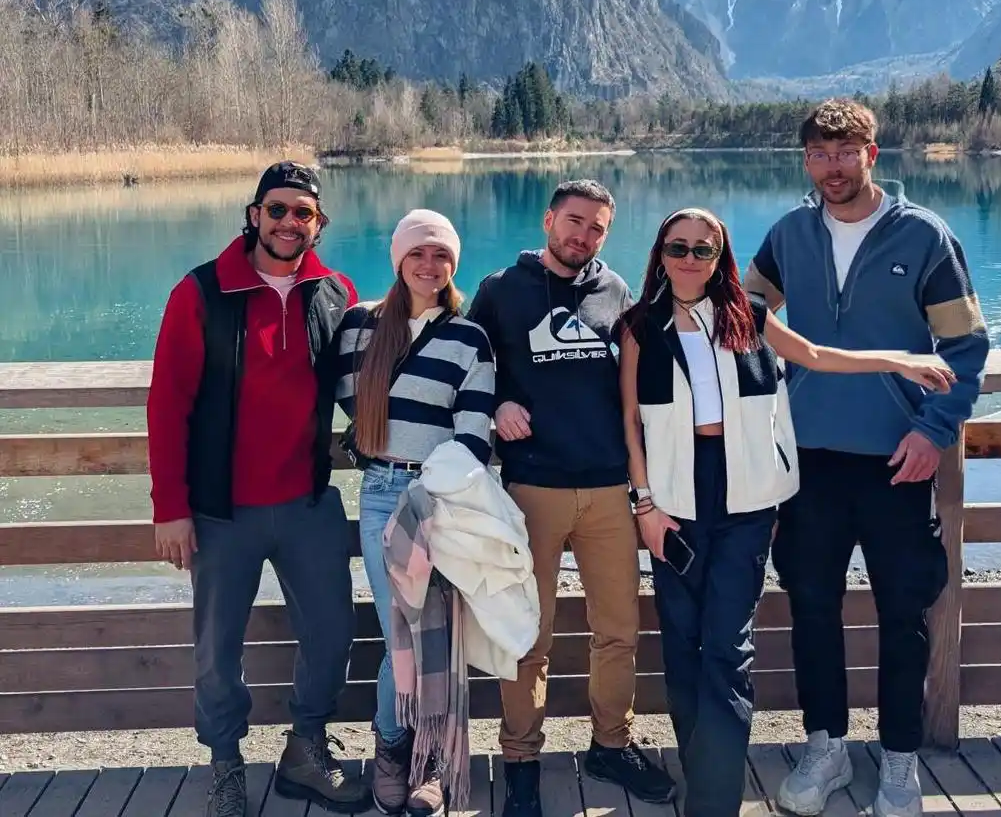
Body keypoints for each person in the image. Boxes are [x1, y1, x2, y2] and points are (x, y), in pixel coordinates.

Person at [618, 207, 954, 817]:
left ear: (721, 258)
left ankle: (713, 802)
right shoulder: (640, 327)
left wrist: (898, 361)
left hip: (746, 496)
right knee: (682, 642)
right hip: (672, 499)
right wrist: (644, 505)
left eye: (704, 249)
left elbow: (819, 355)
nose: (690, 259)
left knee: (727, 646)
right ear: (659, 254)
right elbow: (630, 425)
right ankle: (701, 772)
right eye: (678, 247)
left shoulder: (748, 318)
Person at [744, 100, 991, 817]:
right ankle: (825, 749)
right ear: (806, 160)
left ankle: (899, 761)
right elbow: (741, 315)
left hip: (898, 459)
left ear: (872, 155)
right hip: (808, 461)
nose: (831, 168)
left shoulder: (925, 237)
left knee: (904, 611)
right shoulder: (789, 234)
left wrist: (934, 431)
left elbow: (966, 350)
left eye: (844, 153)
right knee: (812, 605)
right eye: (818, 155)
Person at [146, 161, 368, 817]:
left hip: (306, 502)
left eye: (303, 213)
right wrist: (171, 509)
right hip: (221, 512)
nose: (289, 223)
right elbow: (167, 405)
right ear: (254, 215)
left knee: (333, 632)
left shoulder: (337, 292)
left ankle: (306, 745)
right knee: (218, 647)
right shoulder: (201, 292)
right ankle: (225, 762)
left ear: (317, 224)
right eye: (278, 210)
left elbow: (361, 387)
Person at [466, 179, 676, 817]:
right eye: (574, 222)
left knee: (618, 630)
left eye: (596, 229)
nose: (583, 236)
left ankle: (610, 743)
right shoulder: (501, 291)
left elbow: (648, 377)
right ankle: (522, 757)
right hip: (534, 490)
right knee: (528, 633)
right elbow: (467, 369)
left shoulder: (616, 293)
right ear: (549, 219)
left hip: (612, 490)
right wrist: (496, 401)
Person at [330, 208, 497, 817]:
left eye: (442, 256)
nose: (430, 266)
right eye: (418, 254)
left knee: (438, 635)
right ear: (398, 259)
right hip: (381, 495)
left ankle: (427, 759)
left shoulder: (468, 337)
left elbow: (473, 431)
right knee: (401, 631)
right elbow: (345, 401)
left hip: (444, 500)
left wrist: (444, 492)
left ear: (455, 264)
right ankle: (398, 748)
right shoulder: (358, 327)